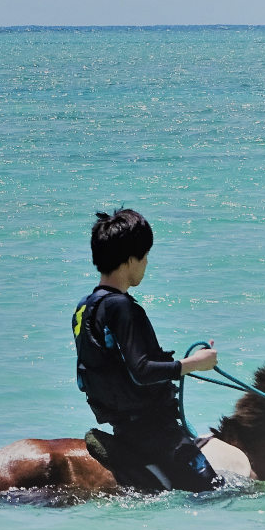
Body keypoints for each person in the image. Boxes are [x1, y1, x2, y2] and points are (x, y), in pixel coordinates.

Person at [72, 209, 224, 492]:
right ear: (130, 260)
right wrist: (193, 363)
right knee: (214, 489)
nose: (146, 264)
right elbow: (141, 371)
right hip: (151, 430)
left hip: (123, 426)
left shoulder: (86, 307)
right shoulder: (121, 307)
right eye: (144, 256)